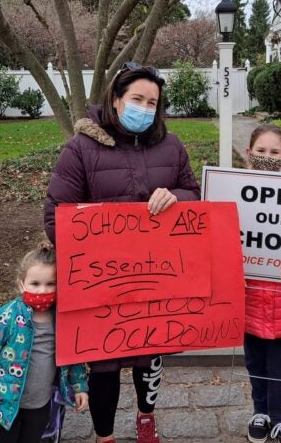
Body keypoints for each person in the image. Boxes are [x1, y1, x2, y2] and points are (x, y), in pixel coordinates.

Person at [44, 61, 201, 443]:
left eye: (152, 102)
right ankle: (105, 435)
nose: (144, 108)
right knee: (104, 365)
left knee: (151, 355)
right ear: (116, 100)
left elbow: (195, 197)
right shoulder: (80, 149)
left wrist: (175, 197)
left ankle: (147, 417)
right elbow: (56, 216)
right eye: (137, 99)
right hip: (103, 282)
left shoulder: (172, 145)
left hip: (157, 276)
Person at [0, 246, 89, 443]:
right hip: (2, 406)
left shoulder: (63, 318)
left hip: (39, 406)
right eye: (35, 283)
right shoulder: (7, 316)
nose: (43, 290)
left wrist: (80, 387)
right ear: (21, 284)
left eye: (51, 284)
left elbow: (72, 354)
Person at [242, 125, 281, 443]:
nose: (267, 157)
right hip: (248, 295)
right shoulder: (233, 190)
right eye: (261, 152)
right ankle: (260, 411)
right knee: (254, 361)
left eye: (274, 152)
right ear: (249, 153)